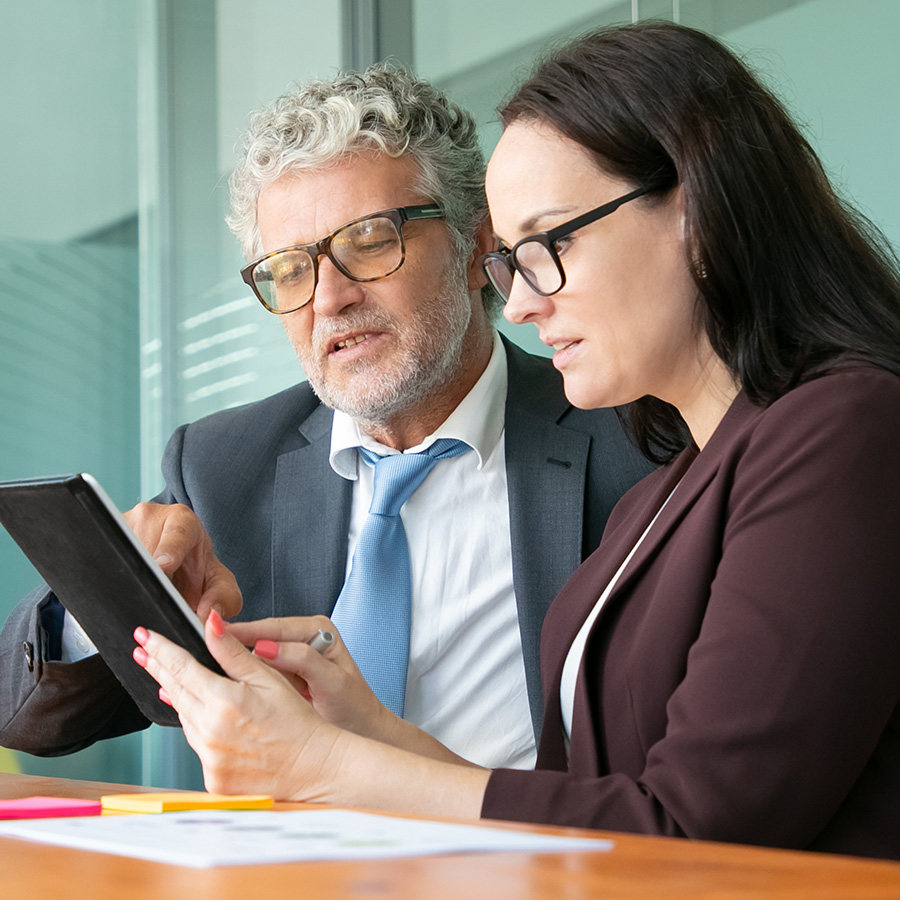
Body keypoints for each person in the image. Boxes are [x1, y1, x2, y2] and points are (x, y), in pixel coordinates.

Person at [133, 23, 900, 860]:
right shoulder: (673, 482)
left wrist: (326, 766)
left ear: (697, 213)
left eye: (551, 244)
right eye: (519, 258)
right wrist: (366, 734)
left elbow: (690, 829)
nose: (526, 302)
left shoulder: (845, 432)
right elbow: (581, 804)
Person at [0, 64, 651, 769]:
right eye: (288, 268)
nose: (328, 298)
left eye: (370, 240)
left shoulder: (636, 439)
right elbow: (24, 716)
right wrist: (116, 595)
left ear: (477, 247)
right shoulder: (224, 466)